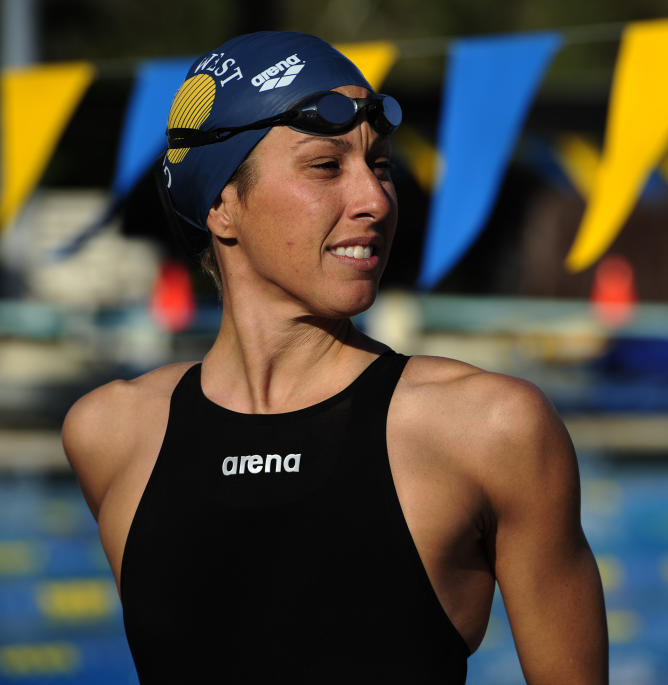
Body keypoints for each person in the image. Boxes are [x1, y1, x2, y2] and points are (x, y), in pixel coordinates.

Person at [62, 31, 607, 684]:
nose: (376, 199)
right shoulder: (110, 434)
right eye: (327, 166)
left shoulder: (488, 429)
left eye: (378, 165)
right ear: (220, 205)